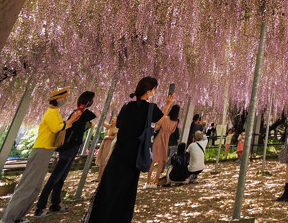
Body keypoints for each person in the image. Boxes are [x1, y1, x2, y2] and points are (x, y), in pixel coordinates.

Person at [88, 76, 175, 223]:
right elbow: (163, 123)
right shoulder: (151, 108)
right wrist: (168, 104)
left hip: (119, 153)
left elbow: (120, 124)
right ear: (148, 91)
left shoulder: (127, 106)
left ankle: (100, 217)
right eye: (154, 90)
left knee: (109, 186)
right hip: (134, 155)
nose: (154, 92)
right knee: (126, 190)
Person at [0, 87, 77, 223]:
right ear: (58, 99)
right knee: (28, 185)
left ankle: (18, 216)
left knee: (35, 186)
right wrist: (71, 121)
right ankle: (8, 219)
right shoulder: (50, 113)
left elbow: (61, 126)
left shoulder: (56, 112)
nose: (65, 100)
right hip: (41, 149)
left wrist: (70, 122)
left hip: (46, 150)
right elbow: (57, 128)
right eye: (64, 98)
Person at [34, 90, 97, 217]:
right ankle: (40, 207)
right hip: (68, 148)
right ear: (88, 101)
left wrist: (85, 126)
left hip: (72, 148)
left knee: (61, 178)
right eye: (91, 100)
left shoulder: (79, 113)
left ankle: (55, 204)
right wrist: (83, 111)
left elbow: (74, 129)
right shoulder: (79, 112)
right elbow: (89, 117)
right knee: (55, 177)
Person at [148, 104, 180, 185]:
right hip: (166, 141)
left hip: (158, 139)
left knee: (153, 160)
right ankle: (156, 181)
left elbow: (157, 127)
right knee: (161, 162)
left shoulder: (166, 118)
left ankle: (148, 180)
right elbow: (173, 131)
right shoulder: (175, 122)